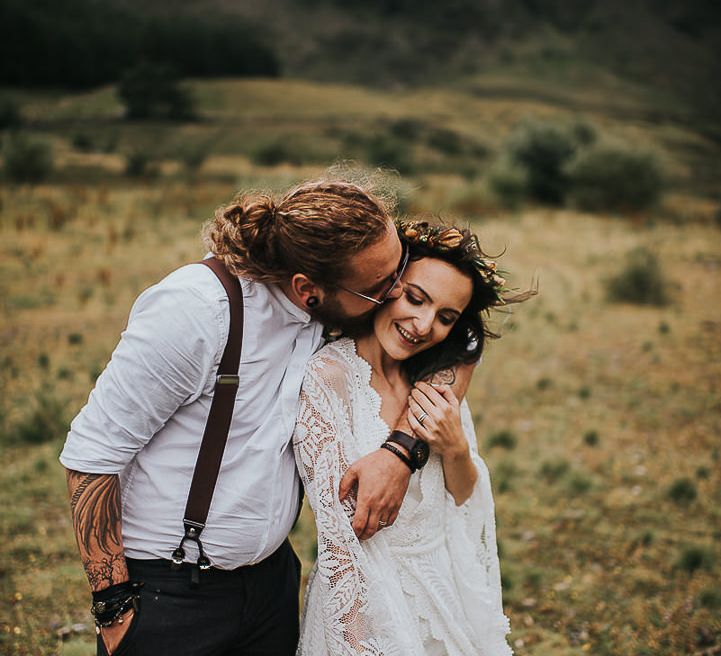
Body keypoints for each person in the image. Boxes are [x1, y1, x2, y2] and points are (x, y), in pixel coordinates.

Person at [59, 178, 437, 656]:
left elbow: (462, 339)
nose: (398, 292)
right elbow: (91, 456)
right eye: (381, 287)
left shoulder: (338, 305)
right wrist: (114, 608)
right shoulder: (197, 310)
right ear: (307, 289)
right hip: (171, 595)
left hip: (273, 586)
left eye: (398, 268)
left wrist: (400, 451)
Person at [294, 220, 533, 655]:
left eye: (445, 317)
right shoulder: (327, 378)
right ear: (384, 286)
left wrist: (456, 447)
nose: (423, 326)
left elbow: (462, 497)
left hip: (443, 596)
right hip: (370, 608)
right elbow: (341, 547)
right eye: (415, 298)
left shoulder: (434, 382)